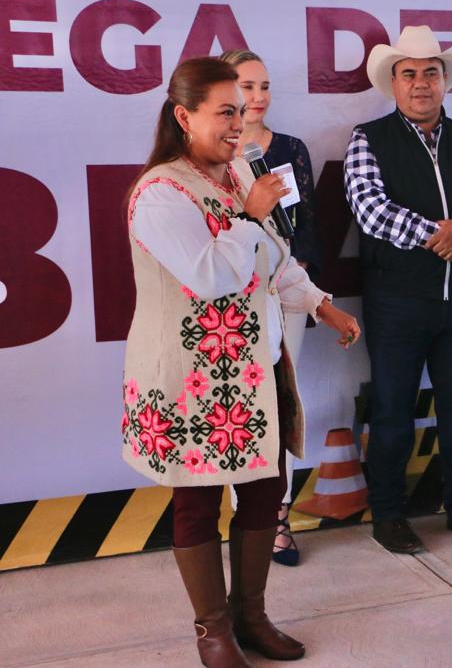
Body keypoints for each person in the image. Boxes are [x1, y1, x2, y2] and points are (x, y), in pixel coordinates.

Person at [122, 57, 360, 667]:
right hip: (190, 378)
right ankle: (213, 631)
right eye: (225, 110)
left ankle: (252, 616)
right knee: (197, 501)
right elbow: (210, 275)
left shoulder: (237, 175)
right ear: (184, 116)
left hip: (254, 372)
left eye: (243, 108)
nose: (240, 120)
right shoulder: (159, 192)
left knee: (264, 491)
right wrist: (248, 214)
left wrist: (320, 303)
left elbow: (276, 261)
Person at [344, 25, 452, 554]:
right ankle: (388, 515)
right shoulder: (368, 138)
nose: (420, 83)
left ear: (445, 81)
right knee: (392, 409)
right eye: (409, 73)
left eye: (430, 73)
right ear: (393, 83)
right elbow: (369, 210)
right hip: (398, 303)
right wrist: (445, 234)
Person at [220, 48, 323, 567]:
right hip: (236, 302)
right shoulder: (212, 155)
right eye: (245, 87)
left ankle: (277, 517)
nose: (256, 98)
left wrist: (295, 272)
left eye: (263, 86)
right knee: (247, 408)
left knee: (281, 404)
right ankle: (248, 517)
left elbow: (304, 223)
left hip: (288, 293)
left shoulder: (290, 149)